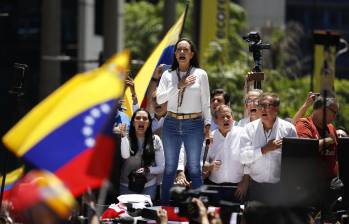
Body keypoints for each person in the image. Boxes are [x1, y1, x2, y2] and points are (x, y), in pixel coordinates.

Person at [156, 38, 211, 204]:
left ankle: (198, 209)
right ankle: (165, 209)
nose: (181, 52)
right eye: (179, 49)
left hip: (194, 124)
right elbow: (159, 99)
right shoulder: (168, 74)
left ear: (192, 54)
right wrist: (179, 85)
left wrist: (207, 126)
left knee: (195, 169)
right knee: (170, 169)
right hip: (171, 122)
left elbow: (206, 102)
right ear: (175, 54)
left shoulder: (200, 74)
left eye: (185, 50)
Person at [240, 92, 297, 204]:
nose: (262, 109)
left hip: (279, 189)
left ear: (276, 109)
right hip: (255, 187)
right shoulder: (249, 129)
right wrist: (265, 149)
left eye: (267, 106)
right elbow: (243, 158)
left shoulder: (289, 129)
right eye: (260, 106)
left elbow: (294, 161)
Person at [295, 97, 339, 221]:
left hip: (330, 187)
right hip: (310, 187)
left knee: (331, 220)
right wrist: (328, 140)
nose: (335, 116)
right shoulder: (304, 124)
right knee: (307, 220)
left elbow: (337, 157)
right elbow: (305, 149)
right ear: (322, 109)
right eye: (333, 112)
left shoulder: (331, 128)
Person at [203, 105, 249, 201]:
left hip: (238, 188)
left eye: (228, 116)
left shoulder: (243, 133)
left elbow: (249, 161)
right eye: (222, 117)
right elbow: (203, 163)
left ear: (233, 118)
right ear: (215, 120)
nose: (226, 119)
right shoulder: (211, 137)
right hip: (215, 188)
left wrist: (245, 182)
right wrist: (210, 166)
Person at [119, 108, 165, 201]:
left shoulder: (155, 139)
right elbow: (125, 155)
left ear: (149, 123)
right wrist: (123, 136)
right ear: (132, 122)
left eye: (145, 119)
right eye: (138, 118)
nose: (141, 121)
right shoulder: (126, 138)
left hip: (148, 186)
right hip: (126, 185)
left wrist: (147, 170)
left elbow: (161, 167)